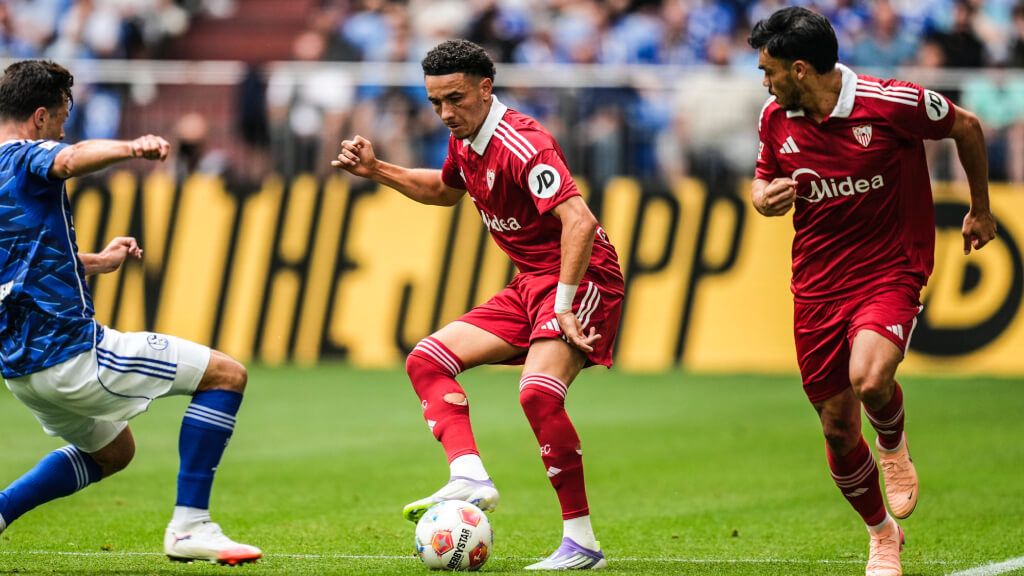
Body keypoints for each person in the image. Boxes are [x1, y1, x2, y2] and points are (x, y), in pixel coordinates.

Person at [333, 39, 623, 571]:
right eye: (436, 102)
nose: (446, 113)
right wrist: (377, 170)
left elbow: (578, 221)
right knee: (426, 359)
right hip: (530, 281)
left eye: (457, 99)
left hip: (581, 278)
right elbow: (445, 192)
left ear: (485, 89)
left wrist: (563, 304)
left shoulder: (522, 143)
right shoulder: (466, 141)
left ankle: (581, 543)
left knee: (538, 395)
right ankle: (469, 475)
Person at [747, 8, 996, 576]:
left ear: (801, 69)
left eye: (769, 70)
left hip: (891, 267)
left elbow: (968, 127)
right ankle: (883, 536)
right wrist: (763, 198)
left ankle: (892, 441)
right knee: (836, 427)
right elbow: (761, 180)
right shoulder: (774, 118)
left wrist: (981, 211)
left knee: (870, 377)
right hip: (816, 284)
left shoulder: (892, 103)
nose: (764, 81)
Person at [0, 60, 261, 565]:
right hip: (72, 355)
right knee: (227, 375)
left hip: (20, 371)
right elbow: (71, 158)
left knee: (114, 452)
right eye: (60, 117)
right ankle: (190, 527)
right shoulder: (28, 156)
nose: (62, 128)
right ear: (38, 118)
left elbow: (21, 262)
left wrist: (98, 261)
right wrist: (130, 147)